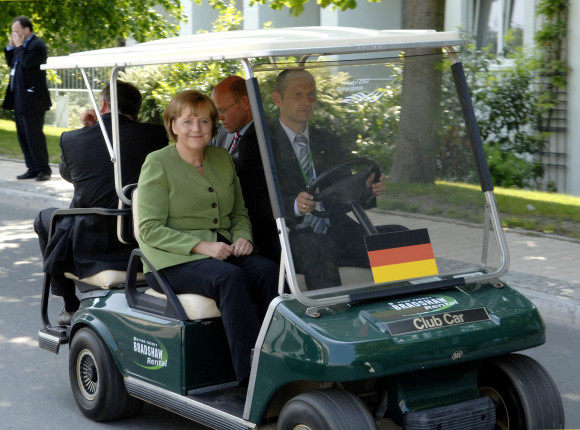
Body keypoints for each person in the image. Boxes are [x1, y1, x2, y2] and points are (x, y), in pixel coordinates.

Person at [137, 90, 278, 386]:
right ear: (173, 125)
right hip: (171, 259)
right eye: (187, 121)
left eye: (204, 121)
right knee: (230, 279)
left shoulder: (221, 157)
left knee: (269, 272)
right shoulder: (158, 162)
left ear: (213, 125)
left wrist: (243, 237)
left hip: (221, 248)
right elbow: (148, 229)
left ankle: (279, 357)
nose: (196, 129)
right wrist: (201, 246)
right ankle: (252, 377)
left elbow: (239, 211)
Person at [33, 80, 167, 325]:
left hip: (93, 244)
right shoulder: (156, 136)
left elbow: (69, 173)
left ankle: (70, 305)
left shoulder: (73, 140)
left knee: (44, 218)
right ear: (136, 112)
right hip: (144, 239)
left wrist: (87, 128)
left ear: (102, 104)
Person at [269, 69, 403, 289]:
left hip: (334, 231)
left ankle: (408, 310)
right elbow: (256, 201)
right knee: (315, 246)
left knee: (399, 237)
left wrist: (368, 189)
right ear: (278, 99)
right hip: (290, 236)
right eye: (298, 94)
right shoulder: (263, 144)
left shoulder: (327, 140)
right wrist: (293, 205)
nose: (307, 101)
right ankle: (331, 319)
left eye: (312, 95)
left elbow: (343, 193)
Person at [211, 76, 279, 263]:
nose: (219, 118)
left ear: (246, 102)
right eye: (217, 112)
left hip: (263, 228)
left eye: (223, 110)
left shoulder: (269, 135)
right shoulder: (225, 132)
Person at [2, 16, 52, 181]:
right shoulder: (20, 45)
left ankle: (43, 170)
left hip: (33, 100)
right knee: (23, 137)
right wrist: (11, 46)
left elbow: (27, 62)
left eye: (17, 31)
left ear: (27, 30)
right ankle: (32, 168)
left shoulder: (37, 45)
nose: (14, 34)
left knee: (34, 136)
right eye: (13, 31)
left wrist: (19, 46)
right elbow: (12, 62)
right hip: (19, 99)